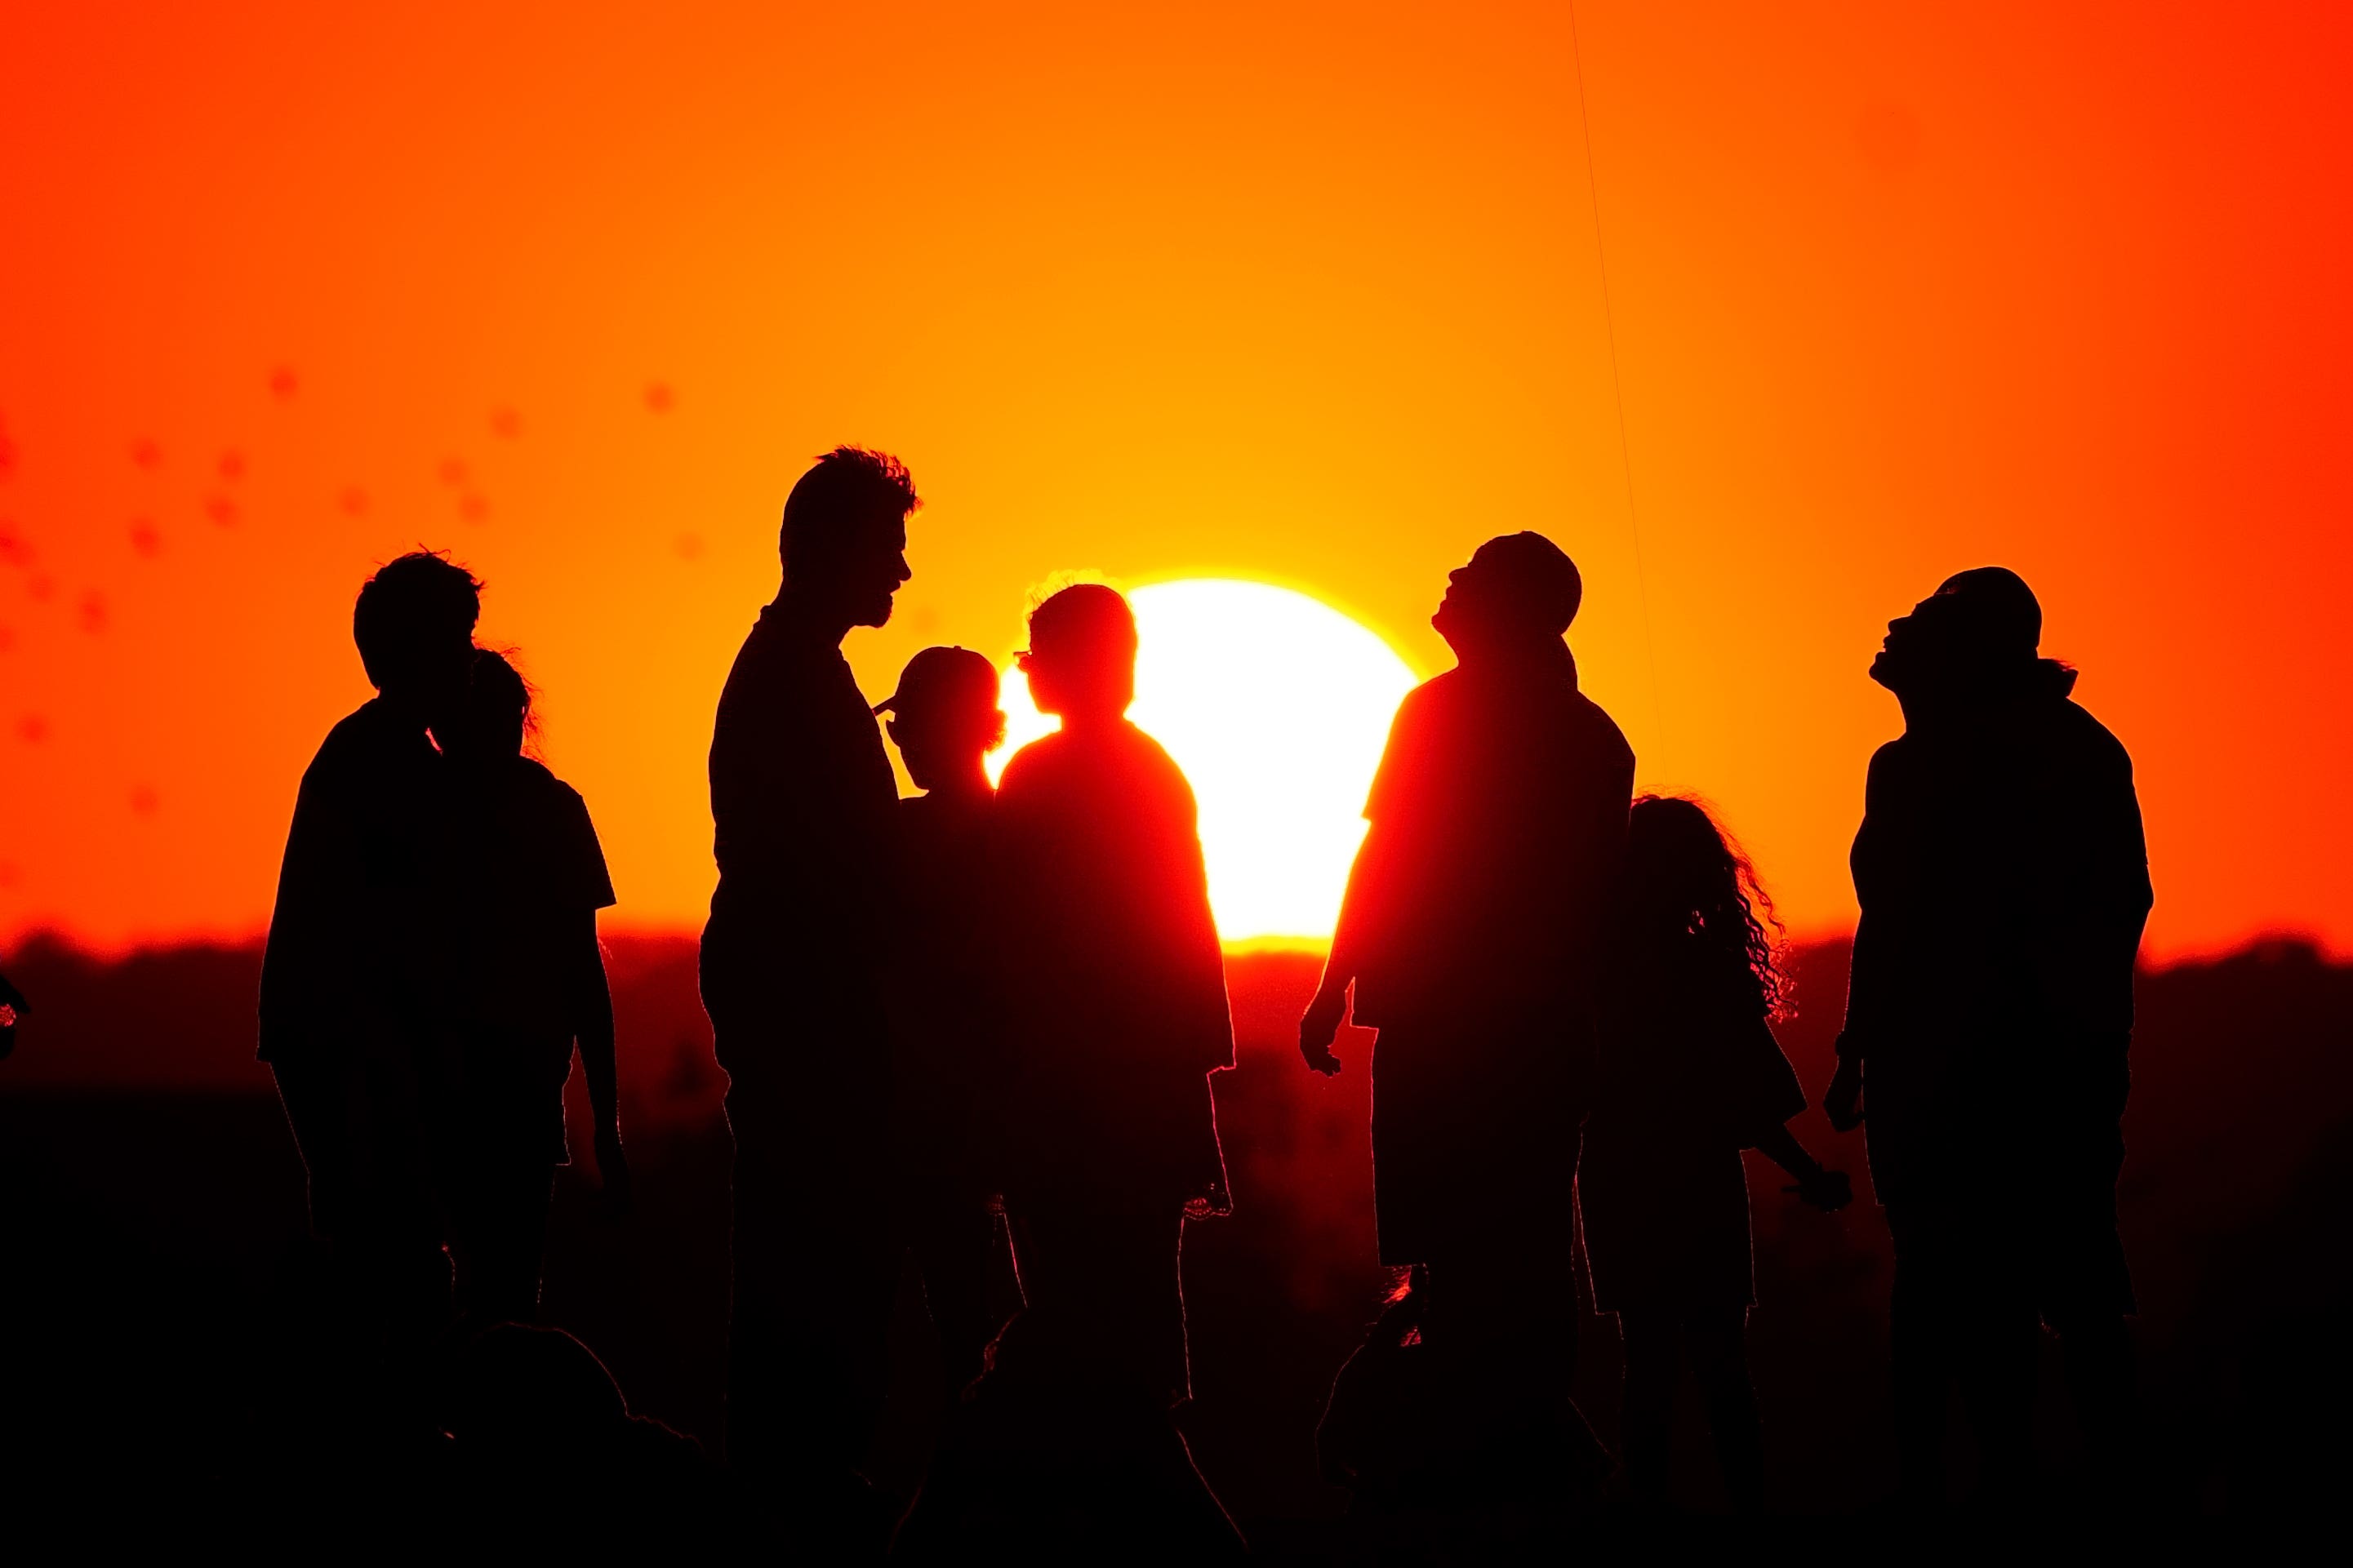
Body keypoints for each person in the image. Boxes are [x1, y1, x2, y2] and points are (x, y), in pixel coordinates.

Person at [1298, 532, 1632, 1464]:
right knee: (1520, 1236)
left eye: (1473, 574)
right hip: (1532, 1030)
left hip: (1453, 1025)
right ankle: (1512, 1435)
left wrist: (1333, 986)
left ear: (1512, 607)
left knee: (1461, 1236)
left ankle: (1491, 1443)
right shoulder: (1592, 734)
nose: (1448, 579)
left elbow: (1384, 859)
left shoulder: (1440, 714)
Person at [1821, 566, 2153, 1508]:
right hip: (1937, 1064)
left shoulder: (2053, 755)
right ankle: (1968, 1484)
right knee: (1953, 1276)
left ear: (1972, 652)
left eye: (1924, 618)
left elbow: (2098, 910)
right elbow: (1886, 920)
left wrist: (2062, 1044)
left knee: (2042, 1284)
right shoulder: (1916, 761)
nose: (1894, 624)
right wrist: (1857, 1046)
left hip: (2019, 1068)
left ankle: (2041, 1485)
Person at [698, 445, 918, 1535]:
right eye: (887, 548)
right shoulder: (793, 676)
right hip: (803, 987)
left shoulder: (795, 666)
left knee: (816, 1230)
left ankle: (802, 1467)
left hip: (795, 977)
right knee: (820, 1232)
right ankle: (799, 1476)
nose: (901, 573)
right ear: (826, 547)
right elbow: (834, 857)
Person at [993, 583, 1234, 1411]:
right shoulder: (1151, 769)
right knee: (1139, 1293)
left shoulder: (1041, 773)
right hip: (1143, 1077)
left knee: (1068, 1300)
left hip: (1069, 1085)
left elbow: (1013, 935)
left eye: (1037, 656)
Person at [1580, 795, 1851, 1512]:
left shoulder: (1588, 980)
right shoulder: (1707, 974)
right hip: (1698, 1185)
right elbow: (1750, 1105)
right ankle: (1749, 1516)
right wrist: (1810, 1173)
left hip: (1617, 1183)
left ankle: (1648, 1520)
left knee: (1647, 1365)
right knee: (1724, 1364)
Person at [259, 549, 480, 1339]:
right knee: (396, 1259)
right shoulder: (388, 764)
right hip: (349, 1044)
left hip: (337, 1038)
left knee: (385, 1251)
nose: (470, 659)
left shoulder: (372, 751)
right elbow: (401, 942)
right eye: (458, 640)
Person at [438, 648, 629, 1326]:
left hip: (491, 1094)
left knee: (483, 1298)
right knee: (503, 1299)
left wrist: (605, 1123)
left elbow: (583, 971)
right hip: (475, 1092)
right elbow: (585, 972)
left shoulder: (542, 810)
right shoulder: (544, 810)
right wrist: (605, 1123)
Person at [875, 645, 1017, 1403]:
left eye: (911, 725)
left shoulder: (893, 838)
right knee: (974, 1330)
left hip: (913, 1117)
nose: (903, 741)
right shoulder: (1024, 835)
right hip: (988, 1118)